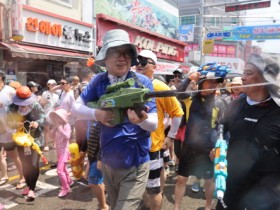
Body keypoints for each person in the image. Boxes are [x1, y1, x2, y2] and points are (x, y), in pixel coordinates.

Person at [71, 29, 158, 210]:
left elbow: (154, 123)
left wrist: (141, 120)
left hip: (136, 163)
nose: (122, 58)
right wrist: (98, 114)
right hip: (109, 164)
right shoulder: (98, 81)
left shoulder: (143, 83)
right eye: (116, 53)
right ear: (105, 58)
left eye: (126, 53)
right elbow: (75, 108)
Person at [216, 54, 280, 210]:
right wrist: (217, 150)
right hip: (232, 185)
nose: (242, 78)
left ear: (266, 78)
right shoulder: (235, 105)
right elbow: (220, 131)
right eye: (243, 73)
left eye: (249, 73)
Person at [174, 65, 227, 210]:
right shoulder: (190, 98)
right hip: (188, 147)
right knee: (181, 179)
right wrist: (188, 79)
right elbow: (178, 94)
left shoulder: (220, 103)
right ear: (201, 82)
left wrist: (217, 148)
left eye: (215, 82)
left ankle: (208, 207)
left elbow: (222, 127)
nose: (213, 85)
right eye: (210, 81)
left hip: (207, 149)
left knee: (209, 181)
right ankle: (176, 207)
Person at [136, 50, 183, 210]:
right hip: (132, 147)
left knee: (153, 190)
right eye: (137, 61)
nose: (139, 65)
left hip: (151, 147)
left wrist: (170, 137)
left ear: (154, 66)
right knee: (139, 187)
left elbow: (178, 113)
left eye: (144, 61)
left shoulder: (158, 86)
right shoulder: (131, 83)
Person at [9, 86, 45, 202]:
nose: (23, 104)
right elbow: (8, 121)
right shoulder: (13, 107)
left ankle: (32, 189)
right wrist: (15, 124)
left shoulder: (35, 105)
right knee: (25, 164)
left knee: (34, 164)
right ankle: (28, 184)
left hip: (35, 140)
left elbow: (43, 117)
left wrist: (37, 123)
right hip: (21, 140)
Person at [0, 73, 25, 189]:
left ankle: (22, 177)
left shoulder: (10, 91)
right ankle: (4, 175)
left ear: (2, 80)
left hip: (8, 130)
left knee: (13, 155)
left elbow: (20, 106)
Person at [48, 108, 73, 198]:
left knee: (59, 170)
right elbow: (51, 137)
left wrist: (60, 129)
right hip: (59, 151)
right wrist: (53, 130)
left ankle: (66, 188)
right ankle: (69, 181)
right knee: (64, 169)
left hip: (65, 151)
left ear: (63, 118)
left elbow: (67, 136)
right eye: (55, 117)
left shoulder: (66, 125)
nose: (56, 118)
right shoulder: (57, 126)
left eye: (58, 116)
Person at [40, 79, 59, 151]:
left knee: (54, 129)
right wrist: (45, 101)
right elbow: (41, 103)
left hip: (54, 115)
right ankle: (47, 145)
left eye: (54, 84)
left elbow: (58, 105)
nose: (53, 85)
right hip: (46, 114)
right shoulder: (45, 93)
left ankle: (54, 143)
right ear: (48, 85)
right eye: (51, 84)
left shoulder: (56, 95)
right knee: (46, 130)